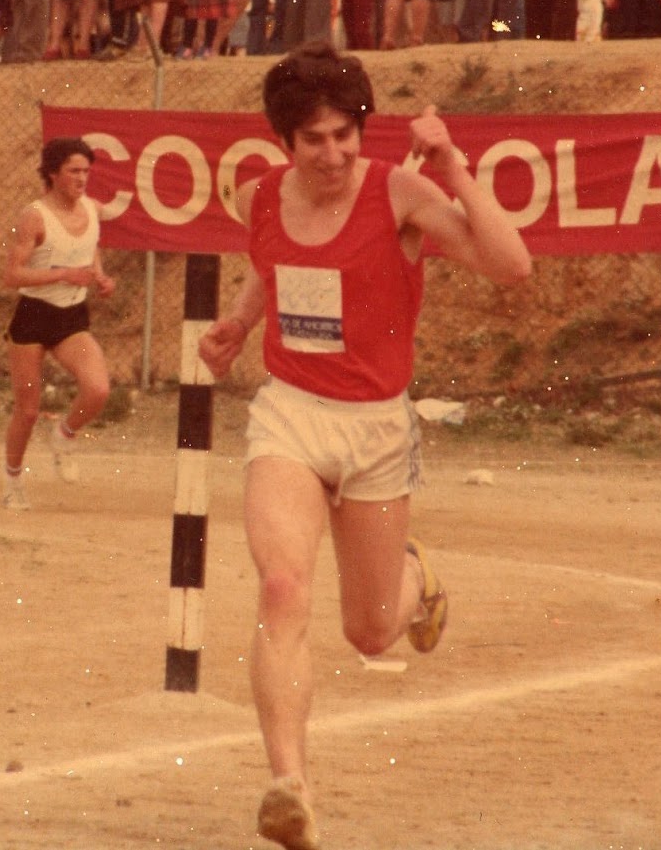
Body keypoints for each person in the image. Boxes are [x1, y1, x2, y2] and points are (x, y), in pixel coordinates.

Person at [197, 43, 530, 850]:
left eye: (345, 134)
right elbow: (272, 266)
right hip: (291, 414)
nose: (333, 153)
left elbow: (511, 265)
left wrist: (453, 167)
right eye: (314, 139)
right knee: (282, 585)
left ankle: (418, 577)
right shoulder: (259, 197)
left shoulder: (400, 193)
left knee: (372, 631)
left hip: (377, 427)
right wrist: (239, 321)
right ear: (286, 141)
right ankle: (290, 786)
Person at [1, 137, 115, 511]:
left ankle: (64, 436)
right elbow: (13, 276)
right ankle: (12, 481)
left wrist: (100, 276)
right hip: (34, 316)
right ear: (53, 174)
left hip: (71, 316)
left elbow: (90, 247)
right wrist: (64, 273)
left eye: (86, 171)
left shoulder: (92, 209)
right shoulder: (34, 216)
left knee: (97, 389)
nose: (82, 178)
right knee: (28, 411)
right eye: (73, 171)